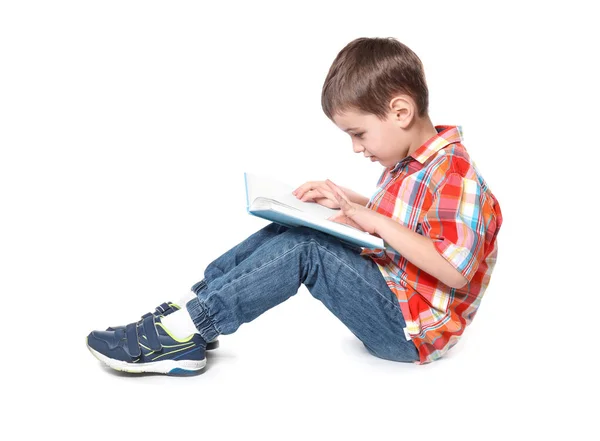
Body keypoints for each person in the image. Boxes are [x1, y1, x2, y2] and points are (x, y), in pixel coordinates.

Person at [86, 37, 503, 374]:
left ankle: (189, 327)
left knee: (309, 249)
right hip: (392, 299)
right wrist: (348, 201)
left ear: (400, 111)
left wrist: (371, 219)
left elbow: (455, 269)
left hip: (410, 332)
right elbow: (406, 224)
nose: (357, 147)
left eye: (358, 133)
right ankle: (192, 311)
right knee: (298, 227)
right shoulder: (414, 163)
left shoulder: (454, 173)